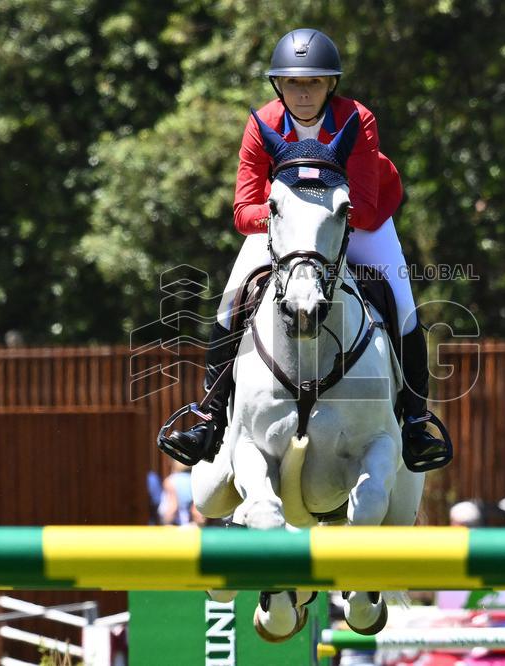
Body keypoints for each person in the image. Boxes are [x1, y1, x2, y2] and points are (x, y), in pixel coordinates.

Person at [163, 28, 451, 473]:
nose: (303, 93)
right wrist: (290, 222)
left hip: (359, 221)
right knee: (230, 300)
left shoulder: (358, 119)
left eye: (314, 82)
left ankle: (414, 422)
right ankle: (209, 415)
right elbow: (243, 211)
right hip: (283, 227)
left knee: (403, 304)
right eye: (294, 83)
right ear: (279, 84)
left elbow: (369, 209)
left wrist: (317, 219)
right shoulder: (263, 123)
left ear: (330, 84)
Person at [158, 460, 203, 526]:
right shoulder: (195, 480)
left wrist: (164, 523)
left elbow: (172, 506)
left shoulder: (171, 481)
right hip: (190, 524)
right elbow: (196, 510)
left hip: (176, 524)